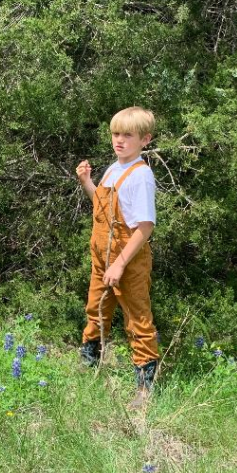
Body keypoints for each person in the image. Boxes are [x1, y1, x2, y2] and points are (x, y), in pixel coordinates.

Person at [75, 106, 159, 409]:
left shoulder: (141, 175)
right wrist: (87, 182)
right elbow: (102, 207)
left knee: (137, 320)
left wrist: (120, 264)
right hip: (102, 257)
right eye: (115, 134)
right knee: (95, 309)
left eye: (128, 135)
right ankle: (89, 365)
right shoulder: (113, 168)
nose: (119, 140)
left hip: (128, 261)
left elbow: (145, 226)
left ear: (145, 139)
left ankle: (145, 389)